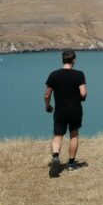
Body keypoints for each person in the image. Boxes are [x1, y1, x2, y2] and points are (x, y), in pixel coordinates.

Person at [44, 49, 87, 177]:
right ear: (73, 60)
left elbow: (47, 94)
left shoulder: (54, 75)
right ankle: (71, 164)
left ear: (62, 60)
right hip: (75, 111)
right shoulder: (79, 75)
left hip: (60, 111)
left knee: (58, 136)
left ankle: (56, 157)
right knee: (74, 135)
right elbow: (83, 93)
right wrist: (82, 97)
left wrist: (47, 106)